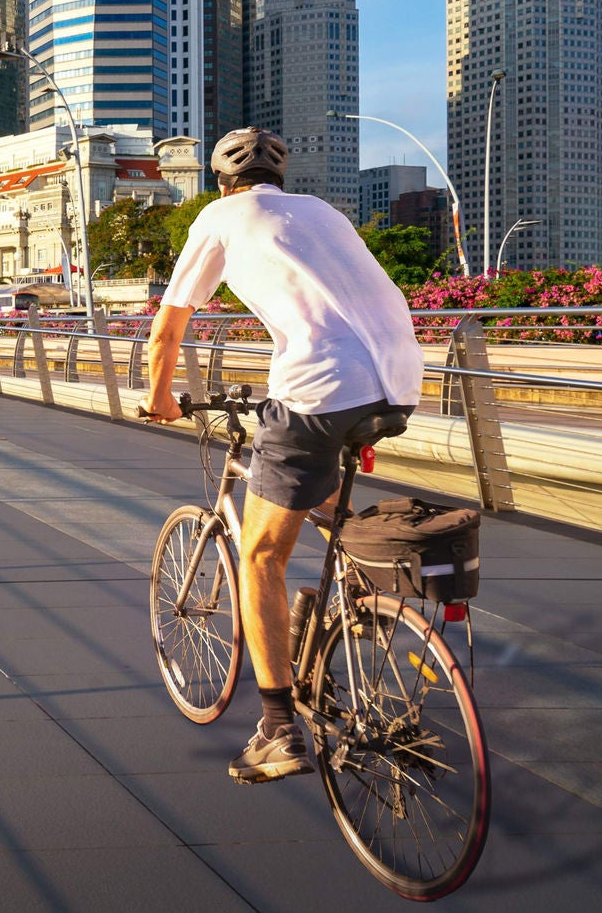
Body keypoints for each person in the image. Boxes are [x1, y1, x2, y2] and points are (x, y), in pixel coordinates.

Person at [139, 127, 423, 784]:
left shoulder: (219, 217)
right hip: (400, 380)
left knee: (261, 554)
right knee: (311, 483)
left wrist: (159, 397)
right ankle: (357, 592)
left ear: (220, 181)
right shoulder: (322, 213)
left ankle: (275, 730)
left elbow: (170, 323)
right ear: (280, 179)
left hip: (322, 390)